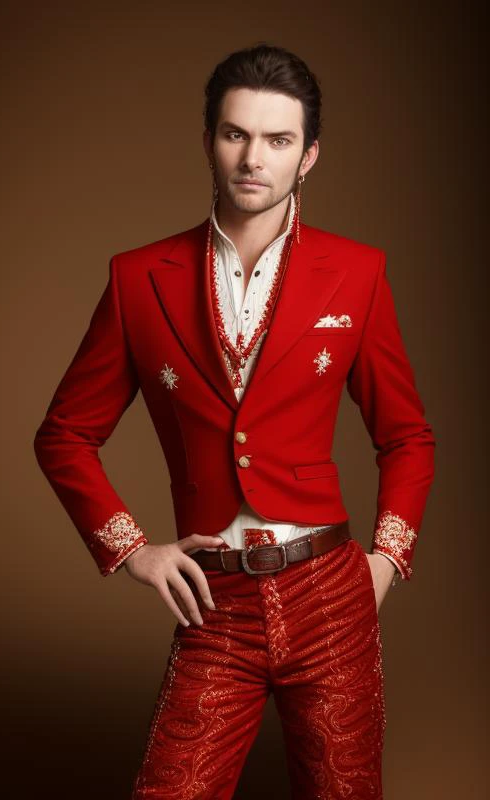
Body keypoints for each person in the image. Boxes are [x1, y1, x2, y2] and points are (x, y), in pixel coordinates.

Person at [34, 43, 436, 799]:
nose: (254, 158)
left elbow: (408, 436)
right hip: (214, 601)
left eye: (278, 140)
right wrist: (131, 551)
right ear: (211, 141)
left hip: (330, 592)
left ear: (309, 155)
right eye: (235, 134)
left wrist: (384, 563)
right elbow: (63, 435)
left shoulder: (358, 272)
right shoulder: (137, 279)